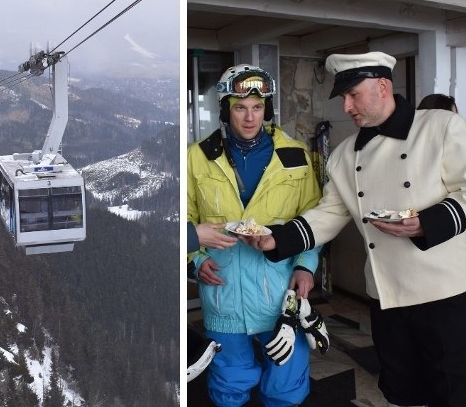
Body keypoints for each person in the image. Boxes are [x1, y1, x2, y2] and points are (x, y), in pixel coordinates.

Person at [244, 51, 466, 406]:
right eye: (343, 98)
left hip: (446, 295)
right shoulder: (345, 155)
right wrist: (276, 239)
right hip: (386, 296)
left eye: (353, 95)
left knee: (453, 390)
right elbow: (330, 213)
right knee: (401, 391)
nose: (346, 107)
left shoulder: (441, 126)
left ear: (383, 86)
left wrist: (426, 223)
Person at [187, 64, 323, 406]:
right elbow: (185, 218)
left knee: (285, 385)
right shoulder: (197, 158)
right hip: (223, 292)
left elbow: (315, 220)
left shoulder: (296, 158)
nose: (250, 118)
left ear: (267, 109)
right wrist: (195, 260)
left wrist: (306, 266)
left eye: (258, 107)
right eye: (240, 107)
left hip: (280, 295)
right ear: (224, 109)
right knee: (228, 384)